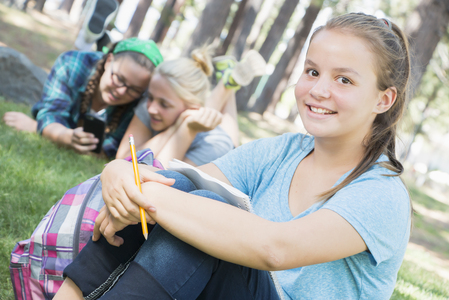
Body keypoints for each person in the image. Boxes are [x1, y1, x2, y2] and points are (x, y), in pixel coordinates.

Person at [54, 12, 412, 300]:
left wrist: (148, 194)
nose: (318, 90)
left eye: (344, 80)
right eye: (313, 72)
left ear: (383, 100)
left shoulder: (382, 194)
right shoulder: (282, 151)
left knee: (195, 211)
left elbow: (276, 250)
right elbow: (178, 181)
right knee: (178, 190)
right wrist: (119, 170)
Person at [3, 38, 163, 159]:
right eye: (119, 79)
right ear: (109, 61)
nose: (121, 91)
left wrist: (35, 127)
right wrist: (65, 136)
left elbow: (113, 150)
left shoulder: (142, 102)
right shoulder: (72, 64)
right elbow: (51, 114)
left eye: (134, 89)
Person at [114, 48, 265, 166]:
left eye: (164, 104)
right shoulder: (154, 101)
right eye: (150, 97)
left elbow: (161, 179)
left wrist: (185, 128)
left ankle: (228, 84)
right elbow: (122, 159)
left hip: (219, 143)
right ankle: (228, 80)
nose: (151, 108)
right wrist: (174, 129)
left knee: (233, 146)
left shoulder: (216, 144)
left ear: (193, 109)